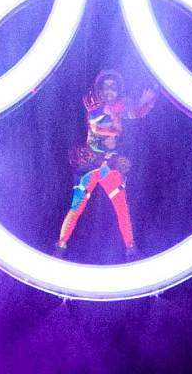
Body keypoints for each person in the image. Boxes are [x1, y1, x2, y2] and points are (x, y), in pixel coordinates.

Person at [54, 70, 158, 261]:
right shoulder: (93, 103)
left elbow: (133, 113)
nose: (109, 90)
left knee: (121, 207)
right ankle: (60, 247)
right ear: (99, 88)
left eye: (114, 87)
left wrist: (144, 102)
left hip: (110, 164)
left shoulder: (119, 107)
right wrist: (111, 130)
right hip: (90, 163)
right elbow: (97, 125)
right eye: (106, 86)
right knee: (77, 207)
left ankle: (131, 249)